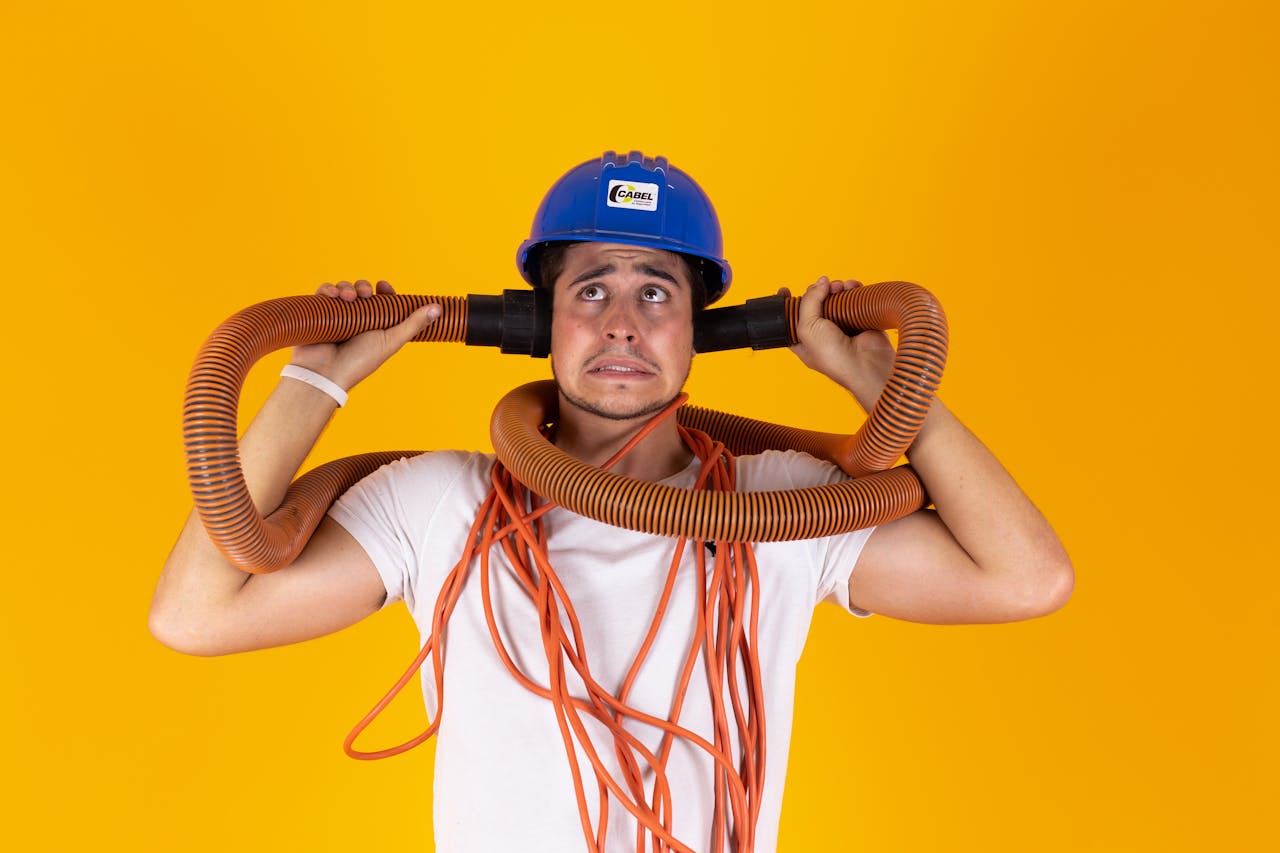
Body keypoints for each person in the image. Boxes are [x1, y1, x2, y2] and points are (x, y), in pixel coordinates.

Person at [151, 151, 1072, 852]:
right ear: (541, 322)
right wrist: (313, 382)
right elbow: (195, 615)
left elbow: (1026, 577)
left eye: (655, 292)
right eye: (590, 289)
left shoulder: (783, 503)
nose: (622, 323)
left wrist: (884, 387)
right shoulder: (439, 502)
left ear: (698, 329)